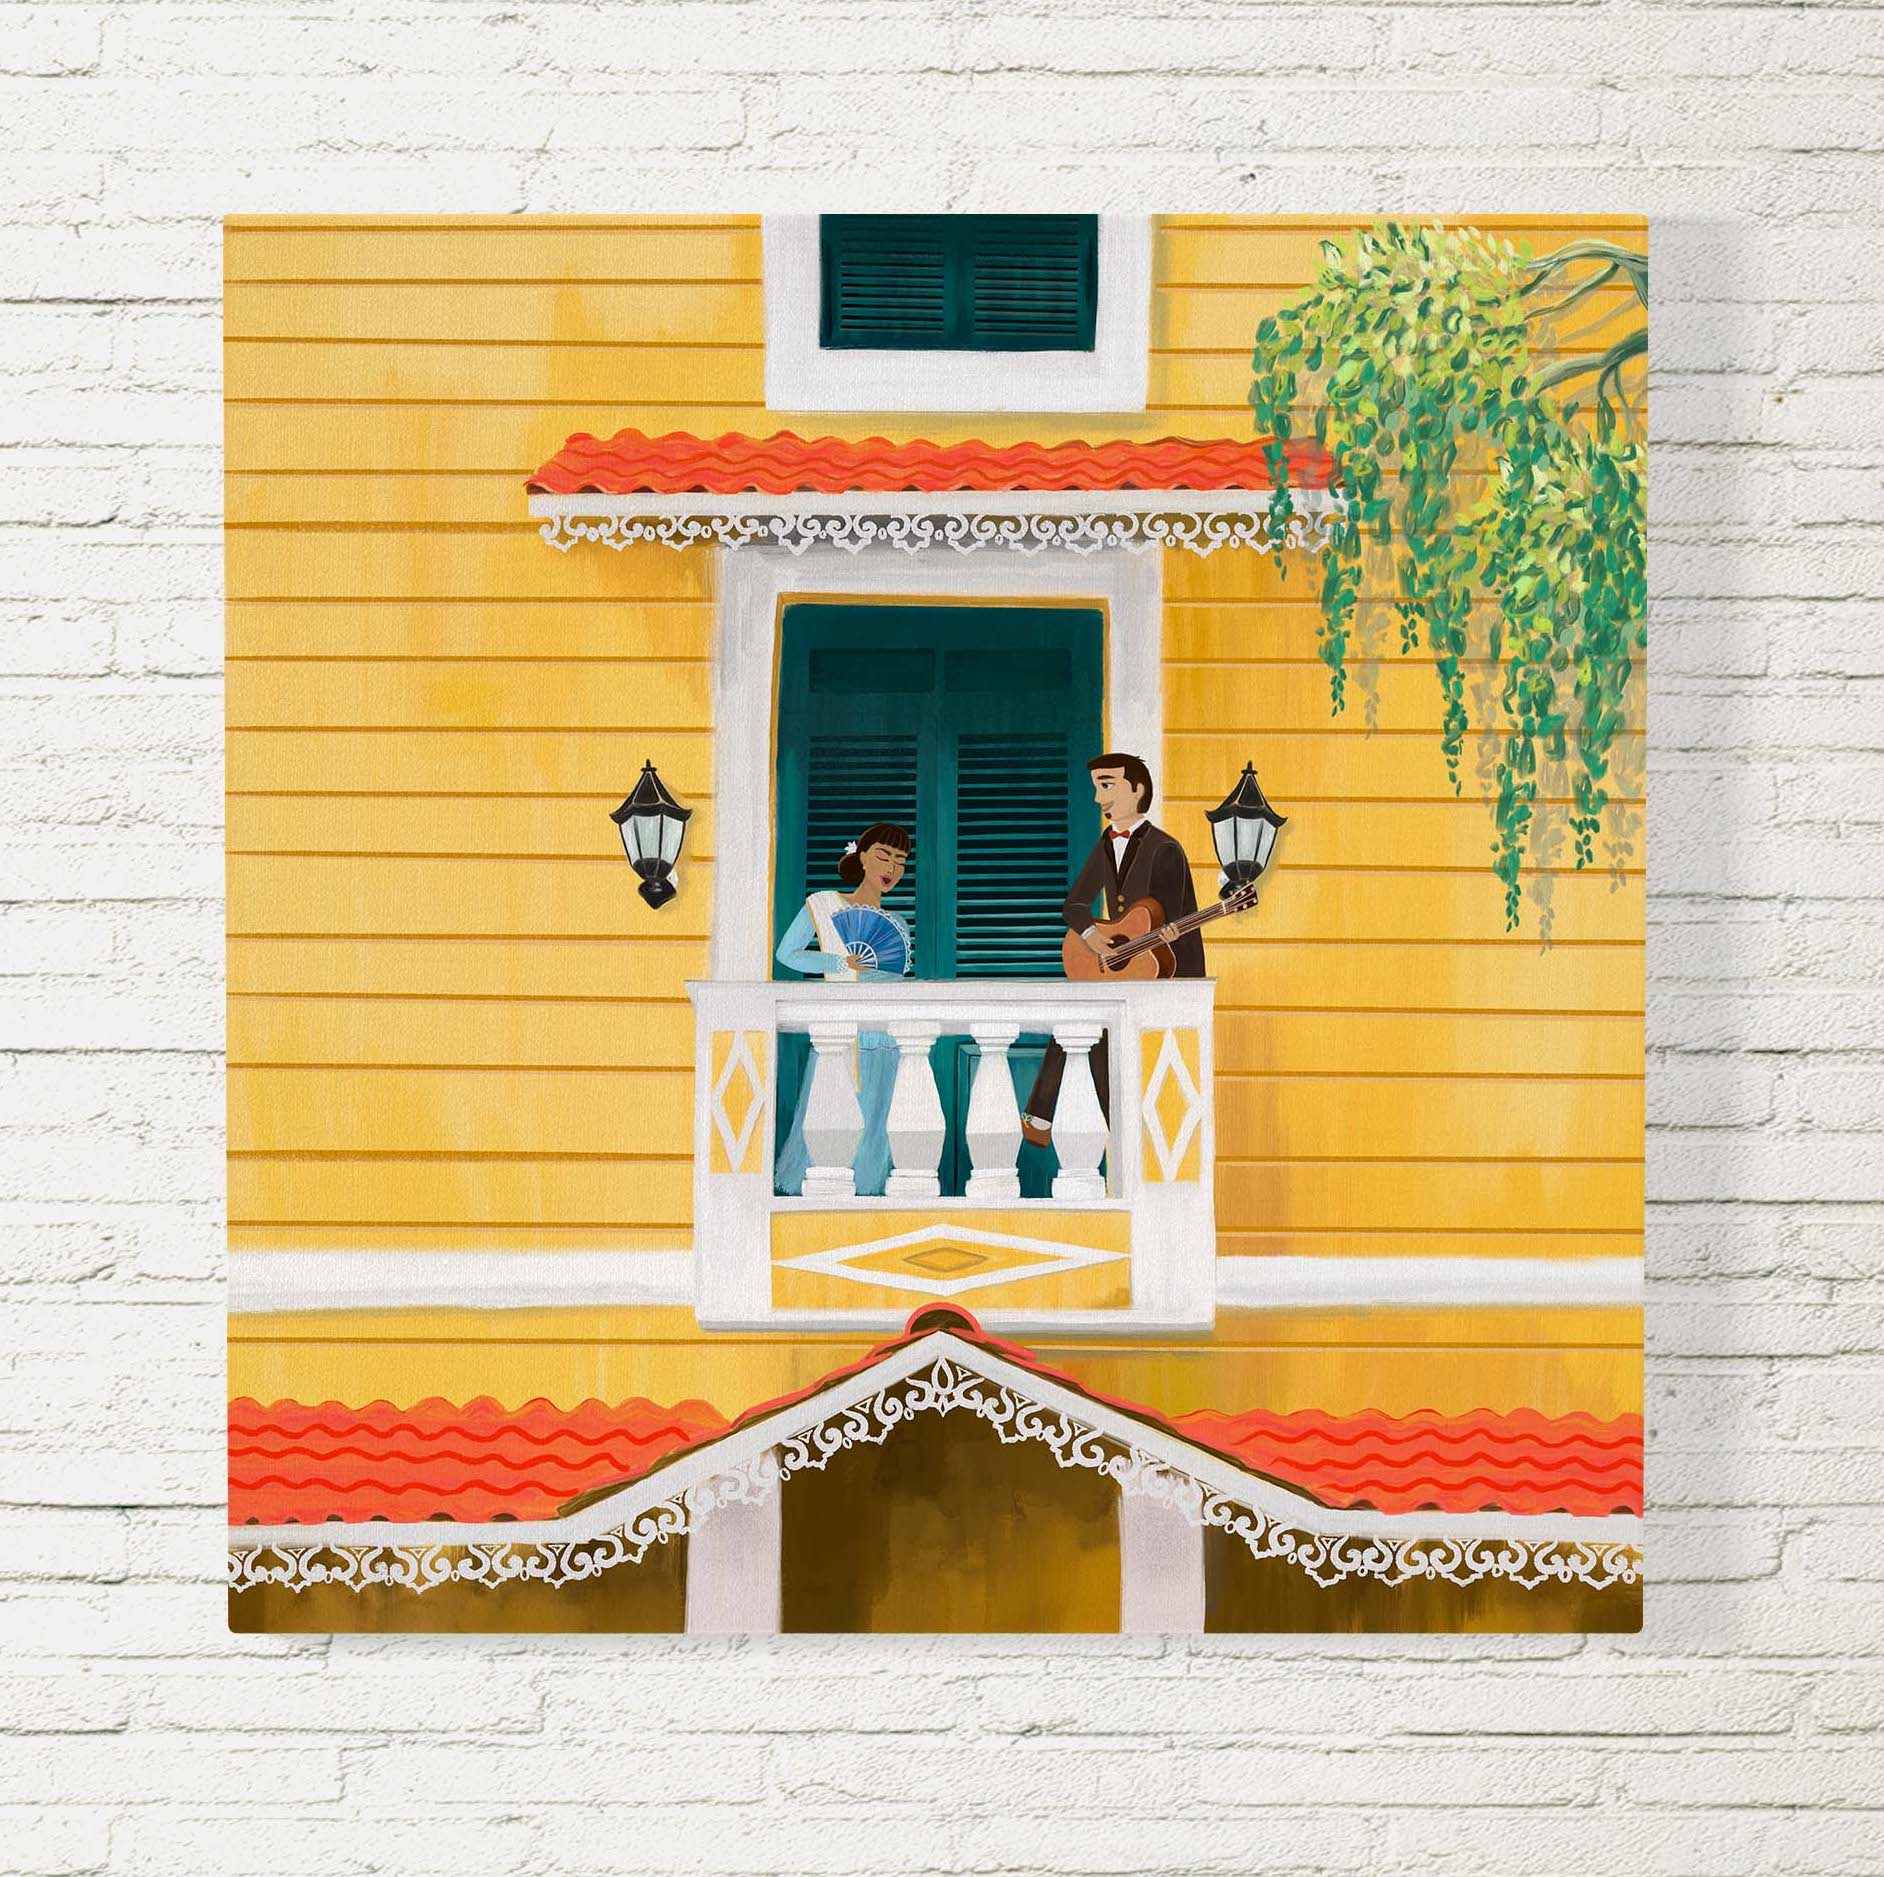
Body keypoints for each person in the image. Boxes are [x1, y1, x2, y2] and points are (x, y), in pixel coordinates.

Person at [1022, 753, 1204, 1147]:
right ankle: (1096, 1127)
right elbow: (1073, 905)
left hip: (1164, 973)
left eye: (1107, 786)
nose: (1097, 798)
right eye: (1096, 787)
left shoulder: (1165, 849)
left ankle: (1043, 1116)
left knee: (1093, 1029)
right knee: (1086, 1027)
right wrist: (1091, 936)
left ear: (1137, 789)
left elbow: (1166, 930)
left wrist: (1135, 949)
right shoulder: (1107, 843)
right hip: (1123, 966)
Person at [774, 822, 914, 1196]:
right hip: (842, 1030)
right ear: (862, 857)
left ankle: (870, 1191)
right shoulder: (825, 904)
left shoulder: (896, 924)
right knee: (832, 1114)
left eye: (900, 861)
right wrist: (838, 964)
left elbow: (894, 977)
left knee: (878, 1119)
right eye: (883, 856)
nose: (891, 868)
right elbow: (786, 954)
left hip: (885, 1037)